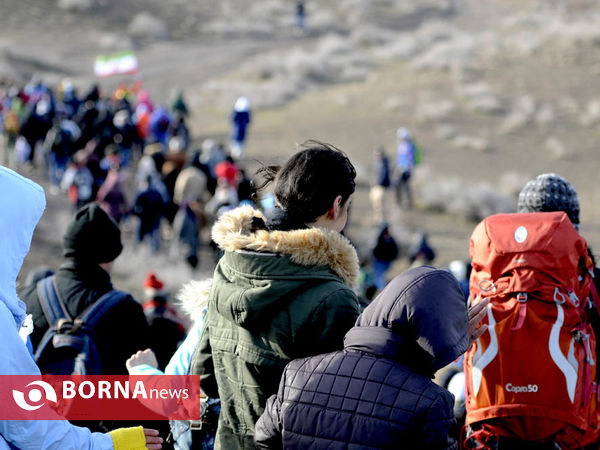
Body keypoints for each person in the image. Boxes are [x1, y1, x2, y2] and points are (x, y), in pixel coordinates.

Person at [190, 141, 362, 449]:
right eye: (347, 208)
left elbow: (201, 377)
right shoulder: (331, 298)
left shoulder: (229, 264)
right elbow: (338, 412)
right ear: (336, 206)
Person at [0, 165, 162, 449]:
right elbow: (27, 424)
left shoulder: (28, 296)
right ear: (109, 256)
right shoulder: (125, 310)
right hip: (80, 438)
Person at [255, 266, 488, 449]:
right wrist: (447, 345)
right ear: (437, 333)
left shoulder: (297, 373)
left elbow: (264, 438)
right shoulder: (431, 403)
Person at [20, 202, 150, 376]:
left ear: (68, 247)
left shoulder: (25, 300)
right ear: (109, 256)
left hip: (33, 402)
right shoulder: (128, 312)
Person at [394, 127, 418, 208]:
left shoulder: (408, 146)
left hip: (405, 170)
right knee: (402, 185)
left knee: (404, 186)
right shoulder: (402, 145)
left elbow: (409, 159)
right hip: (401, 169)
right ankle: (402, 202)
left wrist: (404, 169)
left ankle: (406, 203)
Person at [371, 223, 399, 291]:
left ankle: (380, 290)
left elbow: (395, 251)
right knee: (379, 277)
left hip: (384, 262)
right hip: (380, 261)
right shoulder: (381, 239)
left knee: (380, 277)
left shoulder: (384, 239)